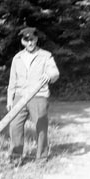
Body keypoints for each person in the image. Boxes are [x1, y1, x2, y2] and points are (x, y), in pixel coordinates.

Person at [7, 26, 59, 164]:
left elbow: (55, 72)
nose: (30, 43)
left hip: (39, 95)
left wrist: (49, 75)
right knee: (14, 126)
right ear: (22, 41)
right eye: (27, 40)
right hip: (20, 96)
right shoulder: (17, 58)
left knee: (40, 126)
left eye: (32, 39)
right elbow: (12, 81)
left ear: (36, 39)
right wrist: (9, 99)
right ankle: (15, 158)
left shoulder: (45, 55)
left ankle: (41, 157)